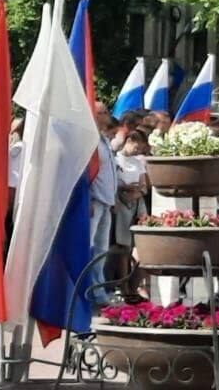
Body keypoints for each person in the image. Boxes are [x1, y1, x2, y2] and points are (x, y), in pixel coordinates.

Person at [113, 130, 150, 300]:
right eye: (137, 146)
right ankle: (123, 283)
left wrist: (136, 192)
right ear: (129, 140)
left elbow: (144, 186)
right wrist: (126, 189)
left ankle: (134, 285)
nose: (138, 151)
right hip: (121, 204)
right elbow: (115, 183)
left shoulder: (138, 162)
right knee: (123, 247)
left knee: (141, 247)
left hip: (137, 204)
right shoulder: (115, 159)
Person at [89, 101, 117, 306]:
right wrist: (87, 197)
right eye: (104, 112)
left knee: (101, 249)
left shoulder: (104, 140)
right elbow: (86, 172)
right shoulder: (91, 141)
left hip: (106, 202)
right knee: (90, 248)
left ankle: (99, 289)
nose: (108, 115)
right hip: (95, 201)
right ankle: (91, 290)